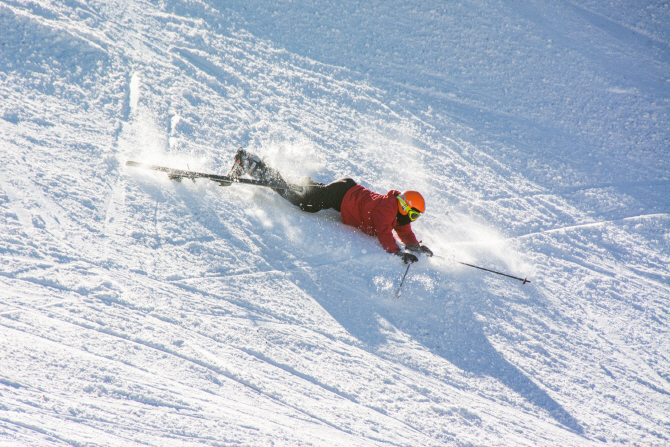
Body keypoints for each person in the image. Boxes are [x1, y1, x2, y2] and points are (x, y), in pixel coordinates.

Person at [229, 149, 433, 264]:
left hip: (345, 191)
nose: (412, 220)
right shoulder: (388, 210)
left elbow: (404, 230)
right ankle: (253, 165)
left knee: (309, 194)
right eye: (413, 215)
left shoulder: (396, 212)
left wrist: (415, 247)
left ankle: (296, 182)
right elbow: (384, 233)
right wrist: (397, 253)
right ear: (405, 207)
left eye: (416, 218)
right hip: (341, 195)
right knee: (304, 203)